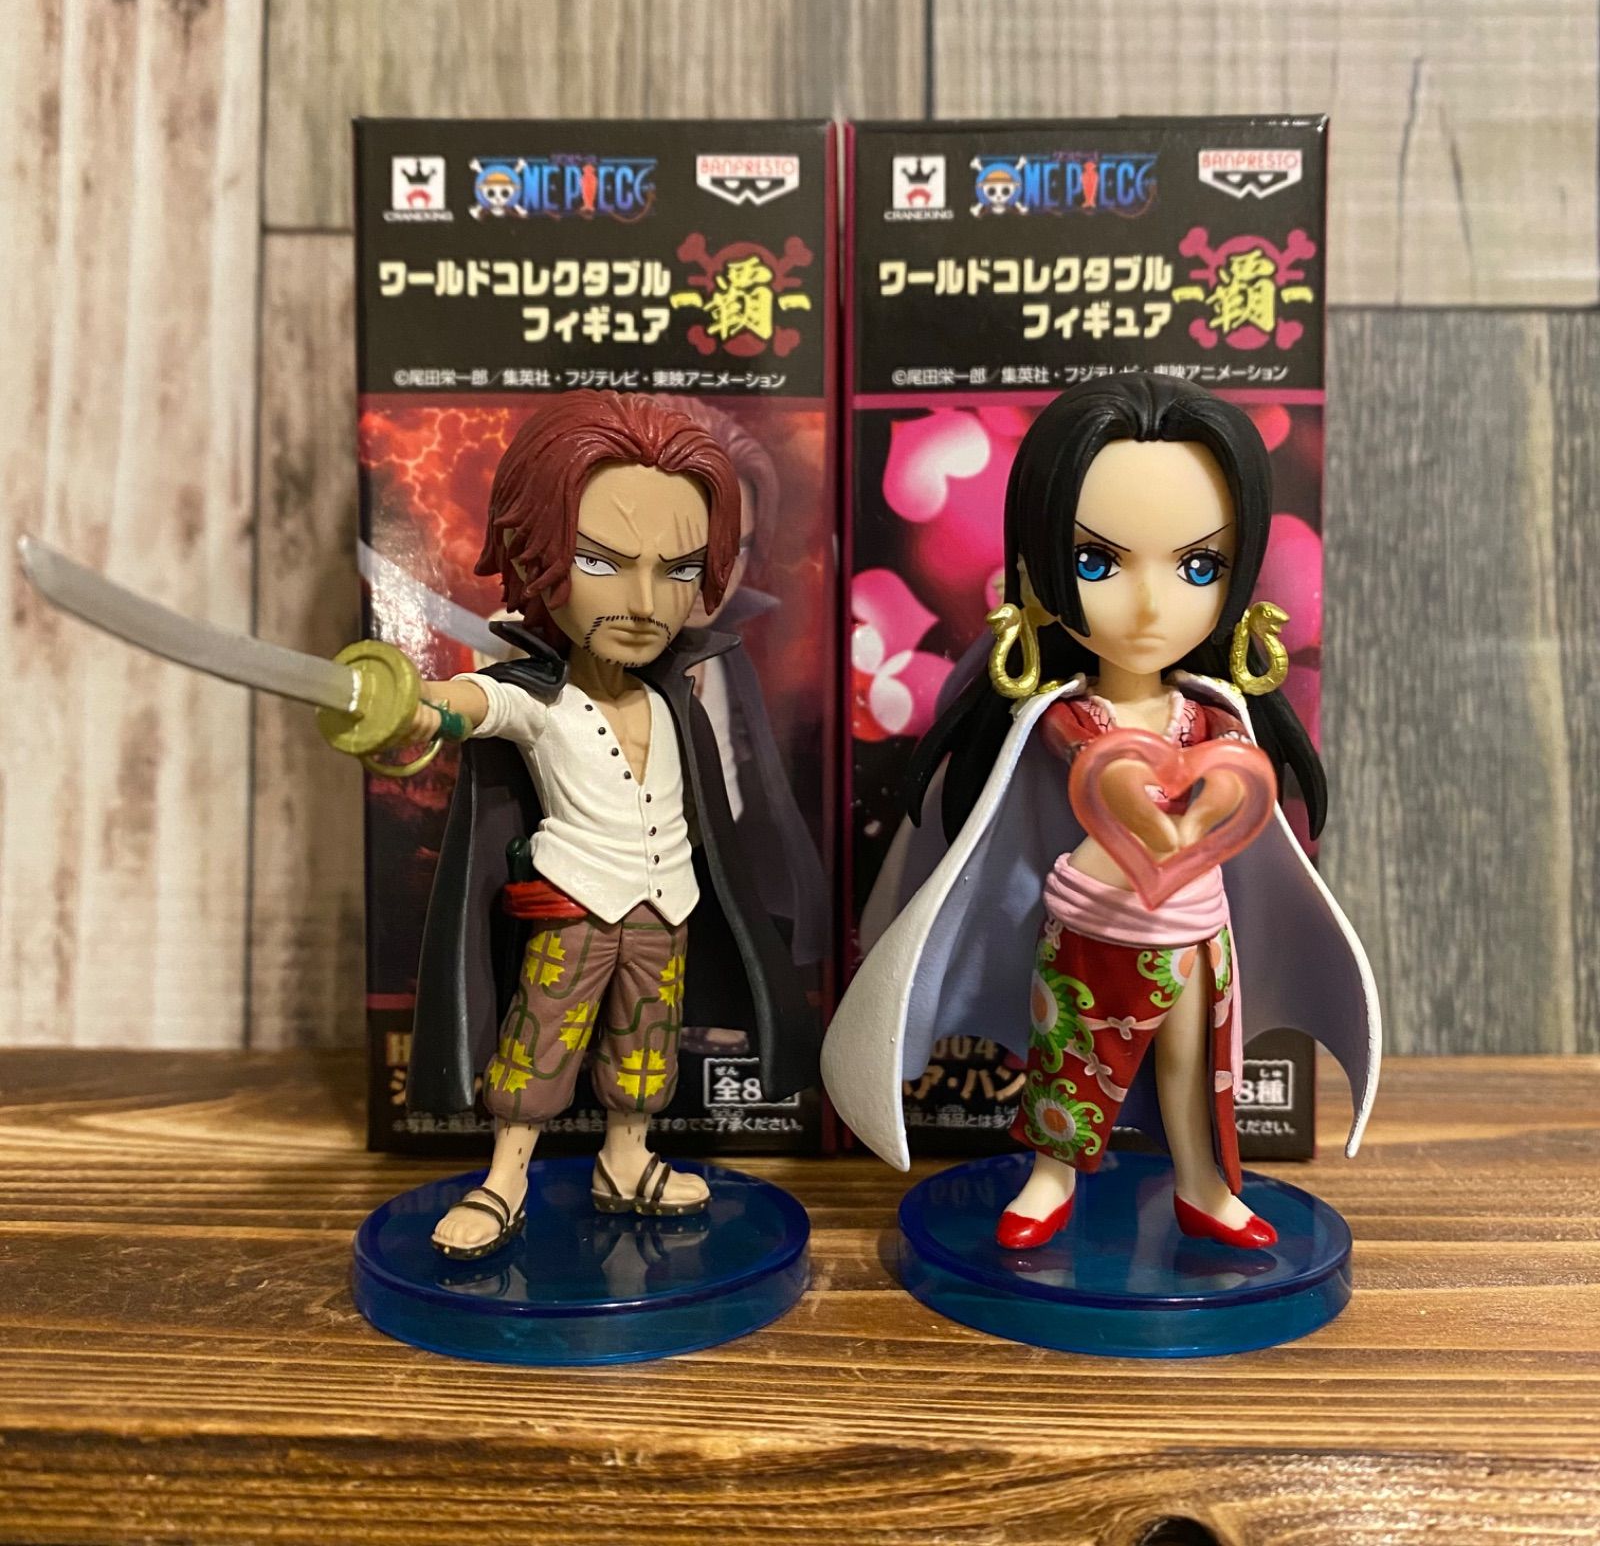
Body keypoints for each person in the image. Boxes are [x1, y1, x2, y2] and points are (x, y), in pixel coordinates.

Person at [823, 373, 1380, 1249]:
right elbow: (1098, 775)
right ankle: (1050, 1178)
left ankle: (1202, 1184)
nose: (1151, 605)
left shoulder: (1212, 717)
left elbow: (1237, 790)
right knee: (1071, 1064)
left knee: (1194, 1069)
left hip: (1196, 929)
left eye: (1199, 567)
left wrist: (1218, 793)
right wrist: (1144, 798)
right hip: (1090, 926)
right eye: (1098, 562)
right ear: (1039, 565)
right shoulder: (1070, 715)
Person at [401, 391, 819, 1260]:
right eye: (601, 562)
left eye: (677, 569)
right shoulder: (540, 697)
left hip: (667, 907)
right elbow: (477, 703)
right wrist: (420, 705)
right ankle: (505, 1180)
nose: (643, 601)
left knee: (646, 1046)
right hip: (577, 907)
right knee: (541, 1040)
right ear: (538, 553)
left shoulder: (676, 694)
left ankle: (626, 1161)